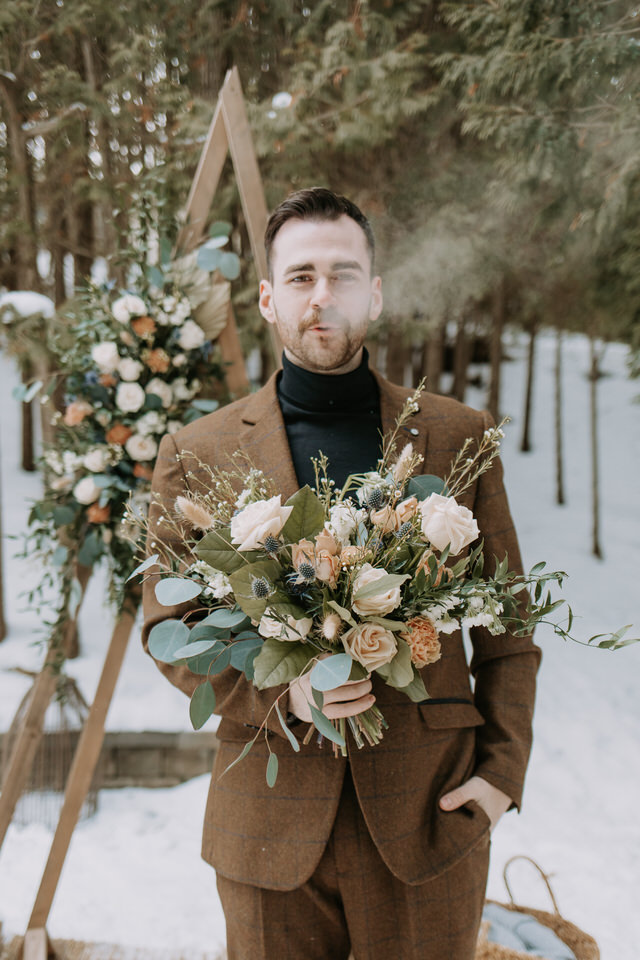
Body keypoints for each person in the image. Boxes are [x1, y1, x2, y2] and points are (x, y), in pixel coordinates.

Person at [142, 187, 540, 960]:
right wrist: (281, 690)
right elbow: (168, 632)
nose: (322, 296)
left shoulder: (458, 436)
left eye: (343, 274)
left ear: (376, 293)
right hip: (266, 824)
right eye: (300, 277)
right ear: (266, 296)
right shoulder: (198, 451)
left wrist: (499, 778)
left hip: (432, 816)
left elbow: (511, 629)